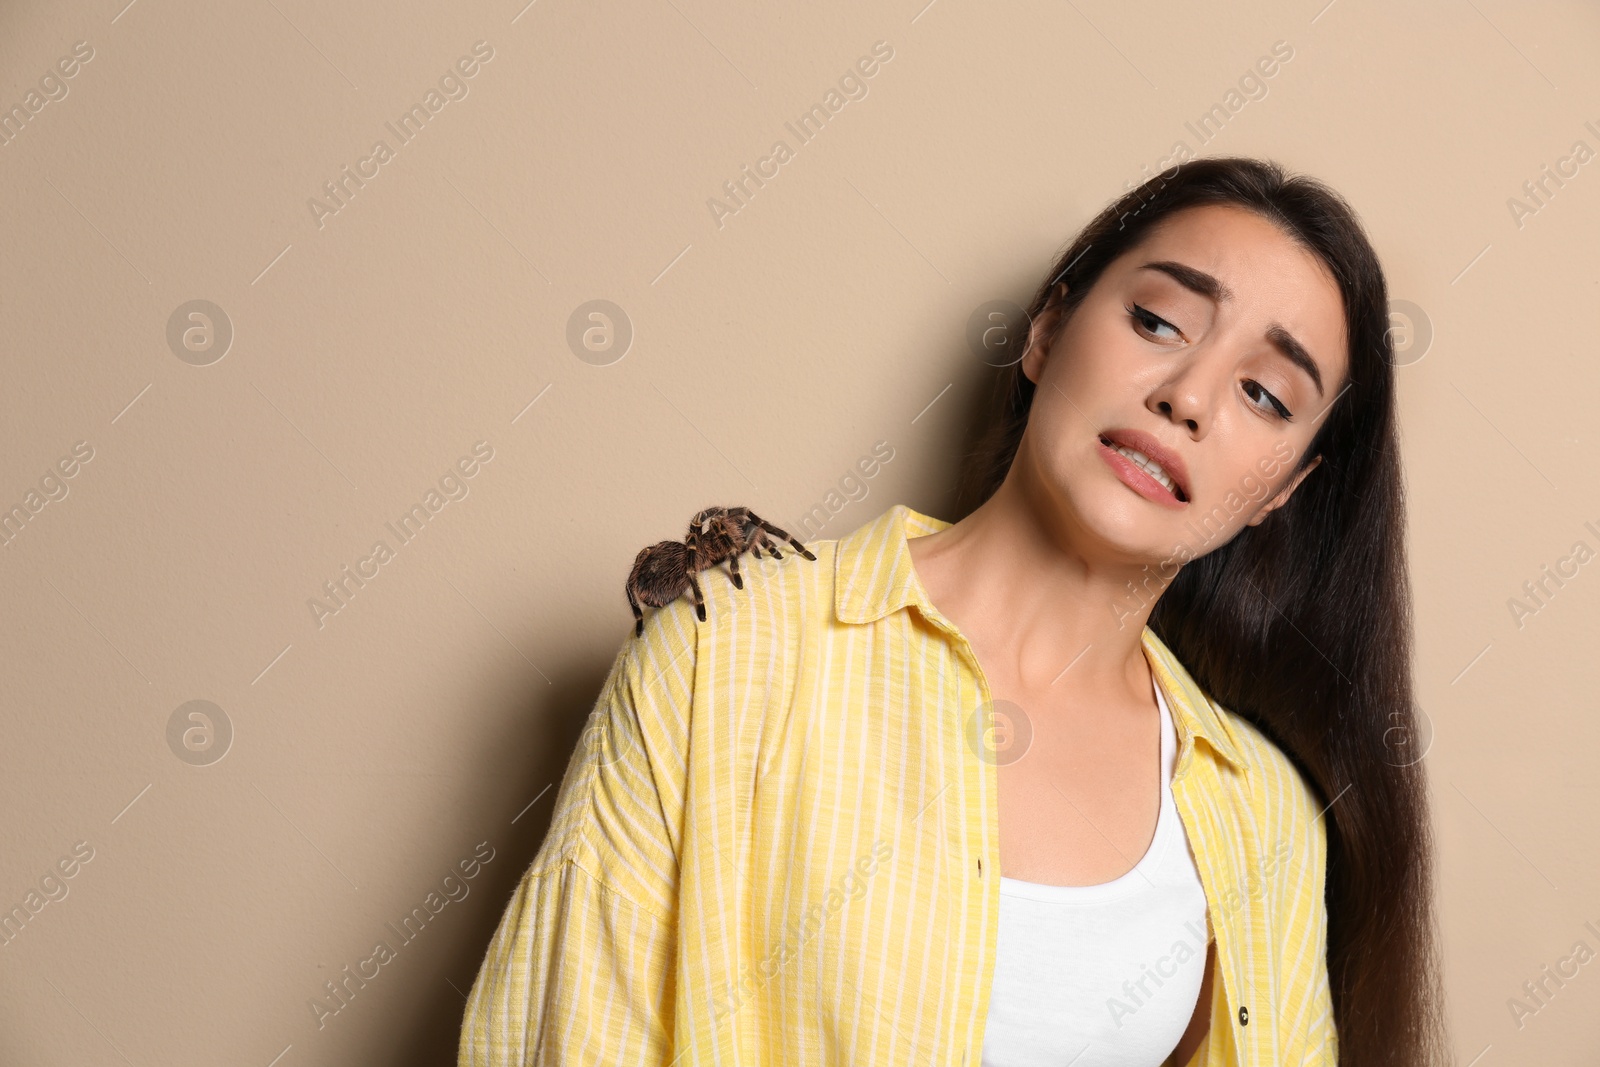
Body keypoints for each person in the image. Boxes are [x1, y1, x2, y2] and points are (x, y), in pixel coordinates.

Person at [458, 156, 1448, 1066]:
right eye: (1157, 322)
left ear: (1283, 488)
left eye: (1264, 395)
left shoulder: (1262, 812)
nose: (1187, 396)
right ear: (1048, 328)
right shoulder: (731, 654)